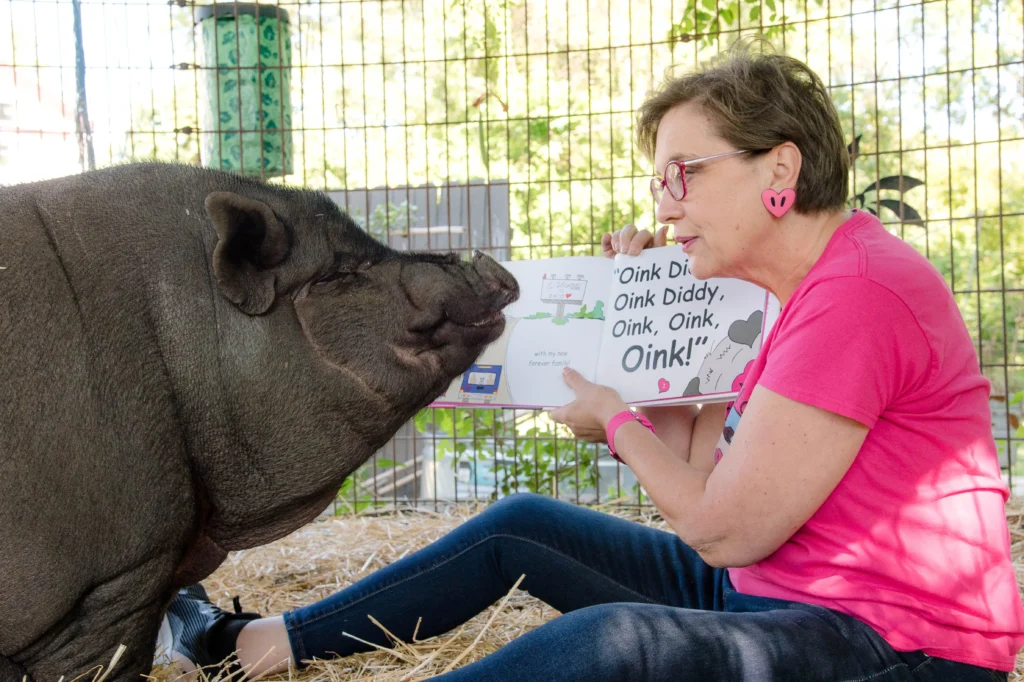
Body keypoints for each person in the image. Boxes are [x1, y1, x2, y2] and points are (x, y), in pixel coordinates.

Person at [161, 40, 1024, 681]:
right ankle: (255, 648)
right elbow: (706, 485)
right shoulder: (793, 292)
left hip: (894, 645)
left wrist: (614, 417)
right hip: (774, 594)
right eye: (659, 182)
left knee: (613, 645)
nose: (666, 200)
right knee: (522, 525)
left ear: (780, 169)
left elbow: (726, 529)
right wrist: (647, 316)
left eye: (684, 172)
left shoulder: (859, 292)